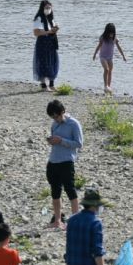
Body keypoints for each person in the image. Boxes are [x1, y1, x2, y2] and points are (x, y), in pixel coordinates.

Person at [46, 99, 83, 230]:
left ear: (63, 111)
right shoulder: (54, 124)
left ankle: (75, 221)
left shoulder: (74, 124)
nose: (55, 119)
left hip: (67, 161)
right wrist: (52, 141)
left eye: (56, 116)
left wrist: (61, 140)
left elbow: (79, 144)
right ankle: (57, 220)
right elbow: (55, 139)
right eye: (52, 117)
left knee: (70, 190)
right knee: (55, 192)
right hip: (53, 161)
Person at [33, 0, 60, 91]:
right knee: (43, 63)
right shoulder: (39, 18)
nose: (48, 9)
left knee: (52, 62)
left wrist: (55, 29)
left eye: (49, 8)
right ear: (42, 8)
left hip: (51, 43)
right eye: (46, 8)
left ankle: (51, 85)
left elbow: (53, 31)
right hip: (42, 43)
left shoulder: (51, 18)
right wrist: (48, 32)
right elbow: (36, 33)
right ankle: (44, 85)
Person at [91, 23, 125, 94]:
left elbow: (119, 47)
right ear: (107, 32)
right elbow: (98, 46)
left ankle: (109, 86)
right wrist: (94, 54)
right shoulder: (103, 38)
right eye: (110, 32)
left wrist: (123, 55)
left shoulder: (114, 38)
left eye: (113, 32)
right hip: (103, 56)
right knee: (106, 69)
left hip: (110, 57)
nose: (111, 34)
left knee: (110, 71)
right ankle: (105, 86)